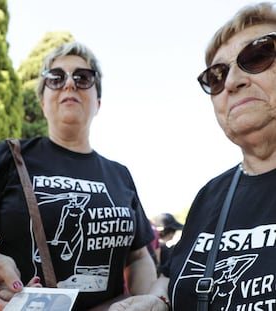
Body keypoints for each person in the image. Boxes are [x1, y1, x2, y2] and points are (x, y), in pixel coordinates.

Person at [0, 41, 157, 311]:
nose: (69, 84)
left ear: (98, 102)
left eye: (83, 78)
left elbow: (138, 257)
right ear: (42, 101)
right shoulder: (9, 157)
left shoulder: (119, 175)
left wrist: (146, 300)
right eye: (56, 78)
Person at [109, 2, 276, 310]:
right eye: (216, 75)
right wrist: (159, 300)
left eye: (258, 56)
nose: (231, 82)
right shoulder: (210, 197)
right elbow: (171, 275)